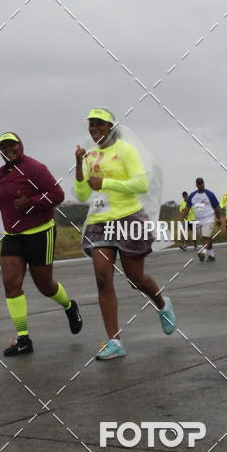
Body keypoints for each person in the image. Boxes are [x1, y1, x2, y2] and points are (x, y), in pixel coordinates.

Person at [74, 108, 176, 361]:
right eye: (91, 124)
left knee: (135, 279)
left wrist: (107, 183)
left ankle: (163, 305)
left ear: (110, 126)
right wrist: (79, 163)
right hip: (100, 222)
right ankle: (114, 341)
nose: (94, 128)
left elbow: (142, 184)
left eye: (99, 123)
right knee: (102, 279)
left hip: (129, 217)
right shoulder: (90, 155)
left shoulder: (125, 150)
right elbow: (82, 195)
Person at [0, 133, 82, 356]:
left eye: (12, 145)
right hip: (13, 236)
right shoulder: (1, 173)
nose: (9, 149)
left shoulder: (35, 168)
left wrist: (31, 203)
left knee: (45, 286)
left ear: (20, 146)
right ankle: (24, 339)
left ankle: (70, 307)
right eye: (4, 147)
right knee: (10, 284)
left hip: (40, 233)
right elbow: (4, 203)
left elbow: (57, 194)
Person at [186, 178, 222, 262]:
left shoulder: (210, 194)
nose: (200, 185)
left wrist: (218, 219)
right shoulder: (192, 195)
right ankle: (211, 255)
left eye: (201, 183)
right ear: (196, 185)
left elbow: (216, 208)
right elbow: (187, 207)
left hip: (209, 219)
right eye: (199, 184)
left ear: (204, 184)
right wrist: (183, 217)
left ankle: (203, 252)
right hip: (198, 220)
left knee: (206, 237)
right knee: (206, 237)